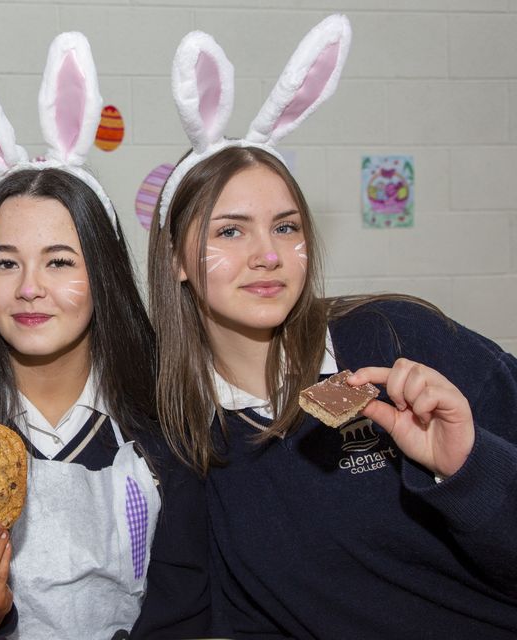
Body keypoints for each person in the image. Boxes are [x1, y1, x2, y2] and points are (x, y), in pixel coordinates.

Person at [149, 16, 517, 638]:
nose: (267, 253)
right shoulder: (179, 429)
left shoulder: (397, 343)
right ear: (176, 262)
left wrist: (468, 470)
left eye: (286, 227)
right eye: (230, 230)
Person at [0, 35, 211, 639]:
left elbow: (190, 605)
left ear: (105, 275)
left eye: (61, 262)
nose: (29, 288)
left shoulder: (167, 423)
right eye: (6, 262)